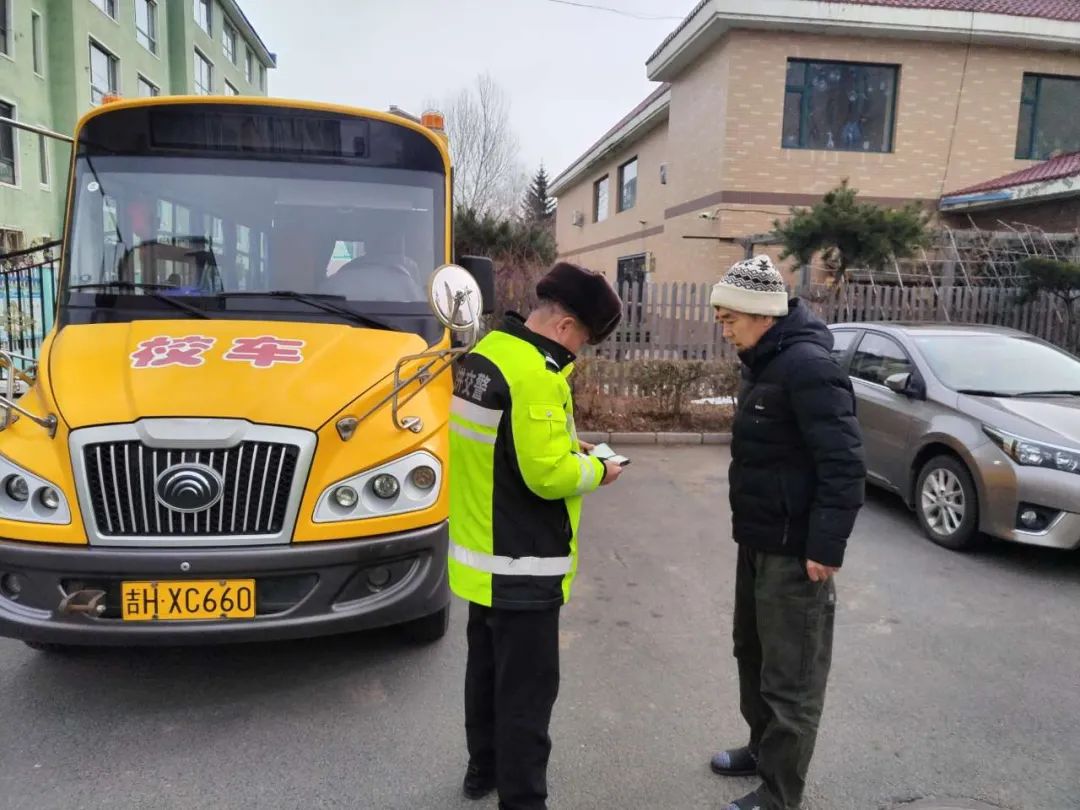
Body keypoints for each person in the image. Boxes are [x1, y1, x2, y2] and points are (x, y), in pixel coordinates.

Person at [448, 261, 626, 810]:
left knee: (485, 673)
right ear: (568, 327)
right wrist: (599, 469)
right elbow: (546, 475)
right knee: (527, 696)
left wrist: (563, 449)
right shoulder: (536, 373)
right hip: (524, 563)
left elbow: (503, 447)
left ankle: (483, 768)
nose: (581, 354)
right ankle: (524, 800)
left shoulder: (488, 354)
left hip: (481, 557)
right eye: (587, 342)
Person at [708, 256, 866, 810]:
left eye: (729, 320)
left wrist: (825, 546)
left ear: (760, 314)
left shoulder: (807, 367)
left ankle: (780, 794)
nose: (724, 330)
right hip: (757, 541)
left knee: (791, 679)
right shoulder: (764, 361)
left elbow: (843, 462)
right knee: (750, 653)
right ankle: (761, 749)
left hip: (796, 553)